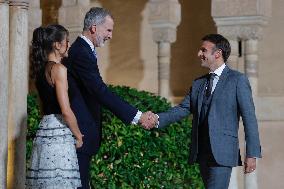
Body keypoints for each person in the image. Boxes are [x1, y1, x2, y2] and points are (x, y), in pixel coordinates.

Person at [143, 34, 262, 189]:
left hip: (223, 152)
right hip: (202, 151)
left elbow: (249, 118)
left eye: (203, 50)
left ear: (217, 53)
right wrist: (157, 118)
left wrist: (252, 154)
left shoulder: (237, 80)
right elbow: (184, 108)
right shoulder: (199, 83)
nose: (199, 54)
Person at [64, 7, 153, 189]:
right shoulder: (81, 52)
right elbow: (100, 91)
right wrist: (138, 116)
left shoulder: (84, 50)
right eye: (109, 30)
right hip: (80, 133)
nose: (110, 36)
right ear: (94, 28)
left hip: (84, 133)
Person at [26, 25, 83, 188]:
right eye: (67, 41)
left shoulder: (39, 70)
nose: (69, 45)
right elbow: (65, 111)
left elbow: (42, 105)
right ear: (57, 45)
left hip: (44, 130)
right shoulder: (58, 69)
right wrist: (78, 135)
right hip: (59, 133)